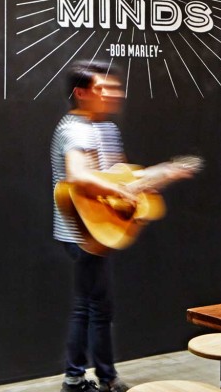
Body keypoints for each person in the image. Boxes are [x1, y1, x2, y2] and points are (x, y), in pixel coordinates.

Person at [50, 60, 134, 392]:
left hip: (101, 227)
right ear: (81, 93)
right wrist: (120, 189)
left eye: (113, 86)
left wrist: (146, 181)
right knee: (94, 307)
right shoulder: (74, 128)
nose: (112, 93)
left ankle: (86, 376)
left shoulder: (106, 128)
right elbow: (79, 176)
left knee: (94, 305)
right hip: (81, 231)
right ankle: (93, 378)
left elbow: (119, 173)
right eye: (103, 88)